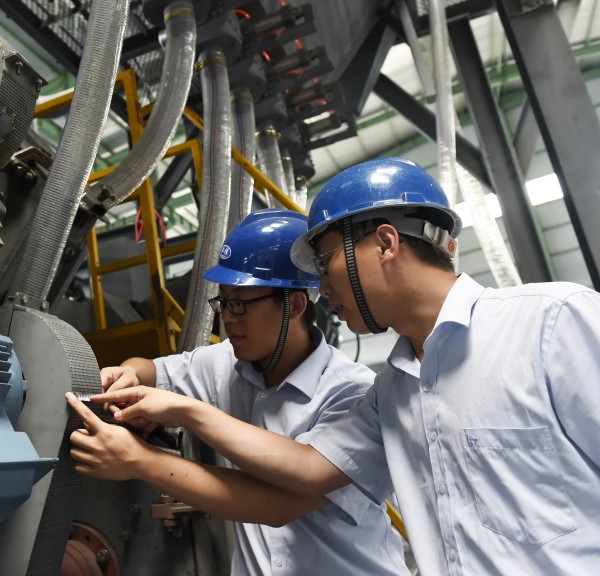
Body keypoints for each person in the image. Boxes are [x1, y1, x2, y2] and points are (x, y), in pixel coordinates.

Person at [85, 157, 600, 575]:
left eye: (324, 264)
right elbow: (310, 467)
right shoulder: (394, 390)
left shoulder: (552, 325)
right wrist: (178, 411)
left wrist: (164, 434)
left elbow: (285, 497)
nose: (322, 288)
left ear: (386, 244)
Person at [68, 209, 407, 575]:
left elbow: (277, 506)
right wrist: (127, 373)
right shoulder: (224, 363)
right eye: (224, 301)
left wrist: (143, 456)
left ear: (294, 304)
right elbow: (150, 368)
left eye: (241, 303)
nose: (228, 317)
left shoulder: (349, 393)